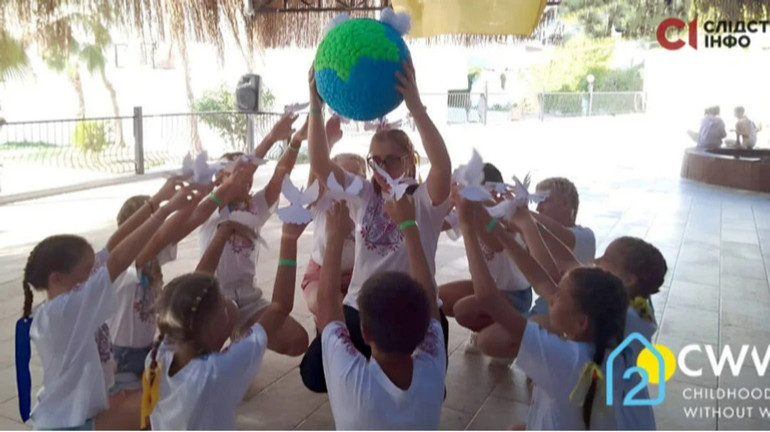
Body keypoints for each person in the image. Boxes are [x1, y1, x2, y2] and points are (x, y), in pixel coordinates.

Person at [301, 59, 453, 393]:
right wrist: (315, 106)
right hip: (362, 306)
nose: (380, 167)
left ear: (409, 161)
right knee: (313, 375)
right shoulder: (364, 193)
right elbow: (320, 166)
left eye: (391, 160)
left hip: (415, 310)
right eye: (375, 160)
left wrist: (415, 106)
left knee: (423, 391)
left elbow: (442, 164)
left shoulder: (425, 199)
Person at [18, 182, 195, 430]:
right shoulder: (63, 311)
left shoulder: (72, 298)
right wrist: (164, 212)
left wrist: (159, 199)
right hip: (66, 424)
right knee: (163, 408)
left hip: (83, 414)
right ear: (56, 278)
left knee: (159, 404)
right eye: (86, 270)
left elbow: (113, 246)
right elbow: (118, 260)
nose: (94, 273)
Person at [455, 197, 629, 429]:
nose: (551, 296)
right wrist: (496, 227)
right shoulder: (606, 344)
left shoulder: (563, 357)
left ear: (581, 322)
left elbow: (488, 298)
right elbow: (540, 281)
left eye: (558, 297)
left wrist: (467, 226)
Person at [141, 219, 308, 430]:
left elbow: (192, 288)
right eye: (223, 305)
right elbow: (280, 307)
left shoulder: (157, 355)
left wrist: (222, 234)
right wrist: (289, 239)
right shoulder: (218, 371)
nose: (229, 303)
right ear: (214, 329)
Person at [318, 199, 445, 429]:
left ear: (364, 332)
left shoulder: (352, 381)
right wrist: (409, 224)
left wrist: (335, 237)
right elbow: (429, 297)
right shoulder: (434, 369)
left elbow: (327, 307)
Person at [197, 113, 309, 356]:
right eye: (235, 174)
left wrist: (296, 141)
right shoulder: (211, 207)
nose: (245, 181)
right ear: (220, 180)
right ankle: (227, 353)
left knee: (298, 341)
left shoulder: (254, 207)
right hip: (213, 301)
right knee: (202, 358)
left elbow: (280, 175)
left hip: (248, 298)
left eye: (247, 176)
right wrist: (270, 138)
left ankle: (238, 349)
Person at [439, 164, 532, 363]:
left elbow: (495, 244)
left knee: (463, 309)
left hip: (515, 295)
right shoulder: (467, 211)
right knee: (439, 297)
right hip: (487, 288)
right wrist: (446, 202)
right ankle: (485, 326)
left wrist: (470, 219)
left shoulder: (507, 214)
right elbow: (434, 224)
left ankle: (507, 333)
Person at [301, 115, 367, 320]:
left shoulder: (365, 203)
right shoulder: (323, 199)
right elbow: (317, 170)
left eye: (354, 175)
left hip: (358, 275)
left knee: (365, 313)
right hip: (320, 275)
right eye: (338, 174)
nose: (345, 181)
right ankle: (325, 332)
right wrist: (327, 141)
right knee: (330, 306)